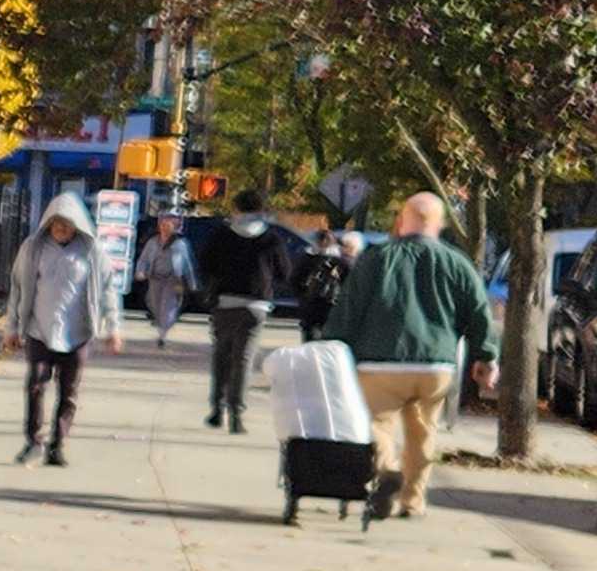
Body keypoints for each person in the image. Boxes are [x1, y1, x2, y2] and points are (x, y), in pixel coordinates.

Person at [326, 190, 497, 518]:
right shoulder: (457, 263)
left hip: (380, 361)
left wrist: (334, 344)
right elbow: (478, 312)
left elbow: (350, 307)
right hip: (436, 364)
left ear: (402, 220)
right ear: (440, 224)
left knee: (375, 424)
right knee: (423, 432)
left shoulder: (377, 258)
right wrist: (485, 356)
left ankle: (387, 470)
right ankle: (413, 499)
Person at [4, 188, 117, 468]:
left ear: (76, 226)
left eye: (66, 225)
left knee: (69, 391)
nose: (60, 229)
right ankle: (34, 441)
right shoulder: (33, 248)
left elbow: (107, 290)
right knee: (35, 384)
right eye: (56, 224)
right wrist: (12, 327)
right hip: (39, 329)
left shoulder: (92, 251)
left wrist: (113, 326)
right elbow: (17, 289)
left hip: (78, 332)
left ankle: (58, 444)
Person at [193, 186, 294, 432]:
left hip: (225, 302)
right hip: (256, 305)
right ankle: (237, 413)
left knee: (221, 356)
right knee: (243, 359)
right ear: (260, 210)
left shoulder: (222, 235)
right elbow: (285, 272)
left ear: (236, 208)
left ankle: (216, 408)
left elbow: (205, 265)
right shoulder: (271, 238)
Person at [142, 203, 190, 344]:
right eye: (163, 223)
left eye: (169, 224)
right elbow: (144, 259)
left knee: (168, 306)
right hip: (154, 278)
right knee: (154, 304)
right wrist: (140, 271)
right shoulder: (152, 242)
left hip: (172, 280)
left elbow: (187, 265)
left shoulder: (180, 244)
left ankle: (163, 333)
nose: (165, 227)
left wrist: (189, 283)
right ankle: (161, 325)